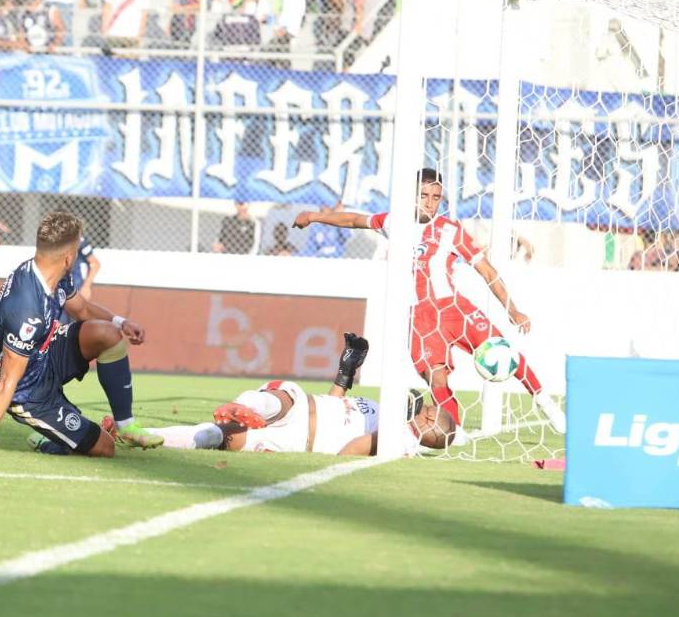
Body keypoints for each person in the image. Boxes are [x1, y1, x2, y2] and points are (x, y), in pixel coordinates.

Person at [293, 168, 568, 433]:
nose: (430, 203)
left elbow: (486, 270)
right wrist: (315, 216)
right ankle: (456, 432)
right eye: (424, 195)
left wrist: (513, 309)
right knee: (436, 377)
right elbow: (354, 220)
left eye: (436, 197)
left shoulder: (450, 230)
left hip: (454, 309)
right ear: (412, 195)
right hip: (420, 318)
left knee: (503, 352)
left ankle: (545, 402)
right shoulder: (393, 223)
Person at [0, 211, 162, 457]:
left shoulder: (53, 272)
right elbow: (8, 381)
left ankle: (126, 426)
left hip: (44, 355)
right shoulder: (27, 310)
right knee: (105, 448)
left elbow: (81, 309)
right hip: (28, 392)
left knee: (108, 334)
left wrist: (120, 321)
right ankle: (47, 436)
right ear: (70, 258)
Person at [144, 334, 459, 456]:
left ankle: (144, 436)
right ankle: (241, 406)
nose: (417, 403)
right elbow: (337, 405)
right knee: (283, 398)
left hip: (297, 440)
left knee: (219, 437)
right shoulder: (378, 409)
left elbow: (349, 452)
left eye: (424, 408)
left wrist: (390, 433)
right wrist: (345, 371)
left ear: (427, 421)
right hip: (303, 407)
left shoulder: (397, 439)